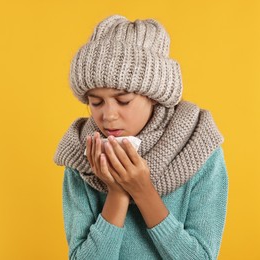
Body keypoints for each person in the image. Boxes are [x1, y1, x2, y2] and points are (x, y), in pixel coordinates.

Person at [54, 15, 228, 260]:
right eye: (96, 102)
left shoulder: (197, 146)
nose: (108, 115)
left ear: (153, 95)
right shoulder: (83, 155)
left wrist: (143, 191)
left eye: (123, 100)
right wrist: (116, 192)